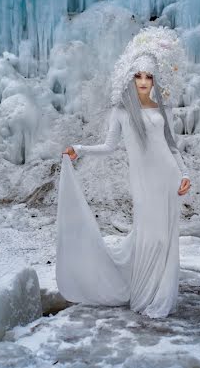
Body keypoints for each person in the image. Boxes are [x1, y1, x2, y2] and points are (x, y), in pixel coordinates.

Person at [56, 27, 191, 318]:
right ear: (130, 77)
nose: (143, 81)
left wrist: (185, 175)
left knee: (165, 239)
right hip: (143, 182)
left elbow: (173, 147)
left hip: (167, 179)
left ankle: (160, 294)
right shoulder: (120, 111)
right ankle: (143, 294)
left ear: (155, 79)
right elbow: (108, 146)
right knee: (148, 236)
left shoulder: (162, 108)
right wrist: (78, 149)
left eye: (148, 76)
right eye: (138, 75)